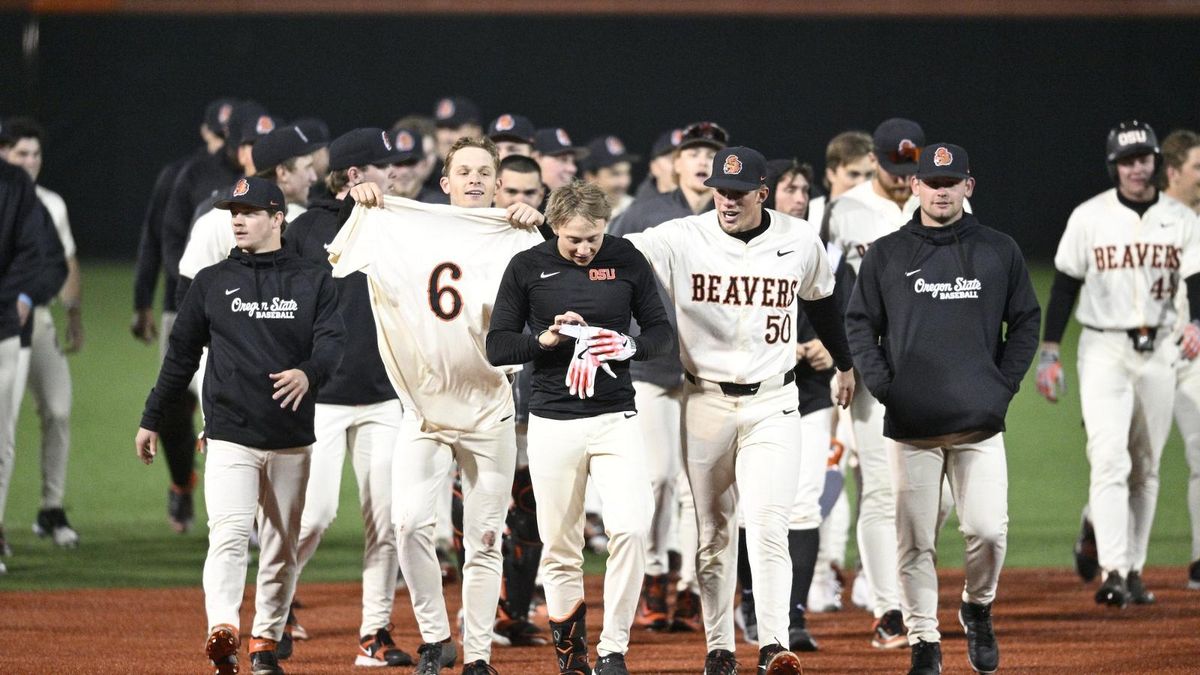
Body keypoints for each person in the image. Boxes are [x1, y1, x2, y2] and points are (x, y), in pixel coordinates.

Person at [624, 145, 856, 675]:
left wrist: (844, 363)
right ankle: (719, 646)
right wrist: (539, 228)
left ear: (761, 192)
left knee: (769, 522)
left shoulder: (798, 238)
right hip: (703, 400)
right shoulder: (682, 236)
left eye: (737, 192)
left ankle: (774, 644)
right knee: (714, 531)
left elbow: (822, 301)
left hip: (775, 400)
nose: (726, 201)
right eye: (719, 191)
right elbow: (609, 249)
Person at [329, 136, 544, 675]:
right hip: (422, 410)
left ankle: (477, 656)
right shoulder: (397, 221)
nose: (475, 180)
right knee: (407, 526)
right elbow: (339, 256)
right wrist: (363, 202)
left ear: (497, 183)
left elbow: (558, 292)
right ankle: (434, 638)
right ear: (444, 183)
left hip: (489, 407)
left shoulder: (519, 238)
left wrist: (538, 226)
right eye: (463, 171)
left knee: (485, 541)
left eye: (484, 173)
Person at [135, 176, 346, 675]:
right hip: (230, 434)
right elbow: (180, 357)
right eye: (234, 211)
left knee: (280, 547)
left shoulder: (313, 278)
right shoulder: (211, 281)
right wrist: (151, 418)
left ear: (278, 219)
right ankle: (224, 631)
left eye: (250, 211)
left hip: (292, 438)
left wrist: (308, 373)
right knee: (228, 533)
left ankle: (265, 641)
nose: (238, 219)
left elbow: (333, 343)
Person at [847, 142, 1040, 675]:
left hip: (980, 421)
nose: (940, 190)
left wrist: (1003, 384)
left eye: (950, 182)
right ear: (915, 187)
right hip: (911, 426)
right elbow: (859, 324)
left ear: (967, 187)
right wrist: (886, 387)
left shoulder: (998, 250)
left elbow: (1025, 319)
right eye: (931, 182)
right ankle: (923, 642)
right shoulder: (885, 254)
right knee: (914, 541)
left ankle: (977, 606)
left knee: (987, 530)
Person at [487, 180, 676, 675]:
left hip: (616, 418)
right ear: (553, 228)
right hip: (552, 422)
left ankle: (613, 650)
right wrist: (546, 339)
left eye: (593, 238)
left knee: (632, 528)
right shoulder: (527, 265)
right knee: (562, 546)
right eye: (574, 239)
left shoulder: (627, 257)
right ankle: (573, 659)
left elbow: (661, 334)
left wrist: (627, 345)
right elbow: (498, 347)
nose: (585, 248)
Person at [1037, 120, 1200, 609]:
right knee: (1109, 457)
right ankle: (1112, 568)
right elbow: (1064, 284)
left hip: (1161, 352)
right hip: (1104, 349)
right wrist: (1050, 351)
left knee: (1145, 467)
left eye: (1143, 158)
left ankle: (1133, 569)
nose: (1136, 168)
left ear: (1156, 162)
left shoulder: (1181, 218)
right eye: (1127, 161)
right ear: (1114, 166)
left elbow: (1197, 279)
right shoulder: (1089, 217)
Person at [285, 127, 417, 666]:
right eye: (385, 166)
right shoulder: (305, 231)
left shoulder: (400, 225)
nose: (398, 173)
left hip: (384, 397)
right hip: (320, 398)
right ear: (356, 175)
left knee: (384, 521)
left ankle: (373, 634)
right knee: (313, 516)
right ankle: (274, 611)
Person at [609, 120, 728, 636]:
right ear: (673, 162)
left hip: (714, 371)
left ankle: (691, 585)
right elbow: (606, 275)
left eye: (712, 153)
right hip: (652, 367)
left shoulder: (737, 214)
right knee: (658, 475)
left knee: (700, 487)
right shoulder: (642, 214)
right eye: (693, 152)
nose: (702, 161)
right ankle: (655, 574)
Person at [825, 117, 926, 648]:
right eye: (894, 167)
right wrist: (844, 359)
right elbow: (823, 289)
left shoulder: (941, 196)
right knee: (882, 491)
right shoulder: (844, 212)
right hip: (871, 360)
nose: (902, 177)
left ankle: (911, 594)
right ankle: (890, 608)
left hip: (935, 366)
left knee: (940, 494)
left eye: (910, 167)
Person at [129, 98, 235, 533]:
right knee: (174, 407)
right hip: (184, 303)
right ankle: (182, 482)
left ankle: (235, 520)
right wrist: (142, 300)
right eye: (223, 134)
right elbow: (160, 240)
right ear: (208, 133)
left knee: (227, 410)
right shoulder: (185, 175)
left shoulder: (260, 179)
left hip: (237, 315)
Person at [0, 117, 83, 548]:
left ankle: (51, 507)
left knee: (58, 409)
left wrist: (73, 314)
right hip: (9, 321)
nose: (30, 161)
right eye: (21, 153)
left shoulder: (50, 202)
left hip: (40, 315)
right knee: (5, 426)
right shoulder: (10, 194)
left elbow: (64, 260)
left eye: (35, 154)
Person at [177, 124, 321, 283]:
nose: (313, 177)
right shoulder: (216, 222)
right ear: (283, 173)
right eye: (307, 167)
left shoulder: (303, 220)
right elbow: (188, 290)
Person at [0, 157, 51, 573]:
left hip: (2, 326)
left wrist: (12, 297)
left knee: (0, 438)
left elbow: (33, 249)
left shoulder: (14, 183)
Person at [1160, 129, 1200, 589]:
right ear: (1172, 171)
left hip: (1192, 356)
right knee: (1131, 459)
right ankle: (1097, 522)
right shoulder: (1147, 218)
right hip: (1145, 352)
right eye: (1195, 166)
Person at [810, 131, 876, 234]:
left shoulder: (886, 213)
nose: (863, 183)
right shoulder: (810, 213)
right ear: (831, 174)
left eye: (869, 175)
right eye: (854, 174)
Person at [581, 135, 639, 218]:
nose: (624, 182)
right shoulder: (572, 215)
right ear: (590, 177)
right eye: (615, 174)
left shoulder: (638, 211)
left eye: (627, 172)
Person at [633, 128, 682, 201]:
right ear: (654, 167)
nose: (681, 166)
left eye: (691, 157)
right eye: (672, 159)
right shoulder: (640, 209)